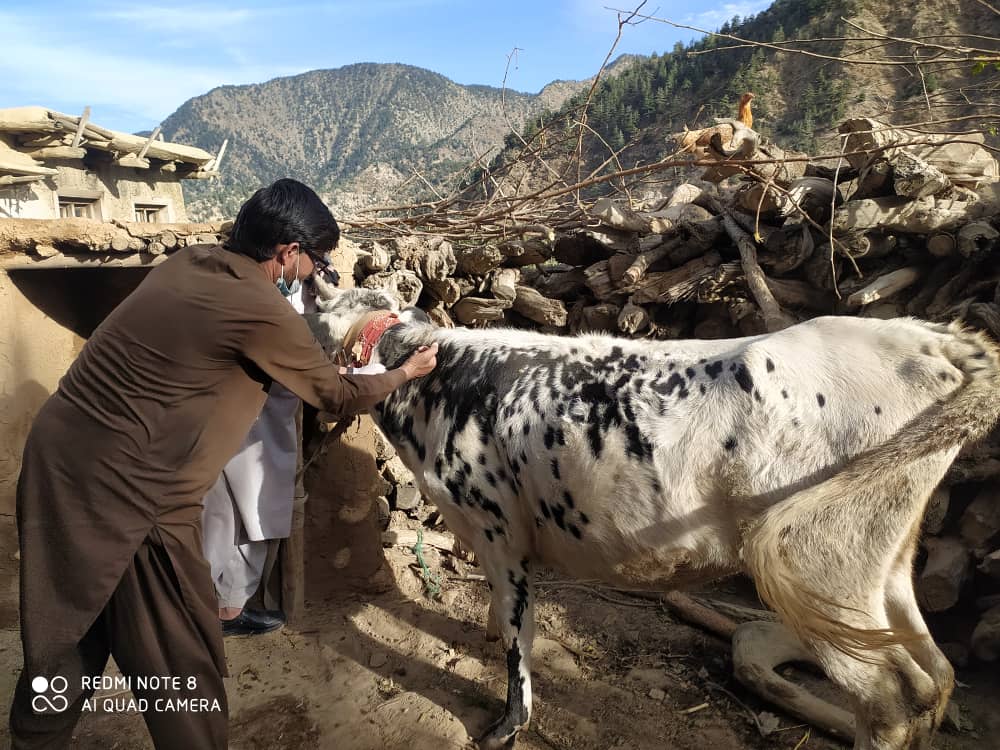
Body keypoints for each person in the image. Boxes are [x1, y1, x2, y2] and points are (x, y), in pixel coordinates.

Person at [8, 178, 438, 749]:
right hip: (136, 490)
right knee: (180, 650)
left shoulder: (191, 264)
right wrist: (403, 374)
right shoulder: (261, 308)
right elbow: (334, 396)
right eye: (316, 261)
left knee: (67, 631)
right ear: (287, 252)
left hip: (58, 459)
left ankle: (34, 739)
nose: (315, 273)